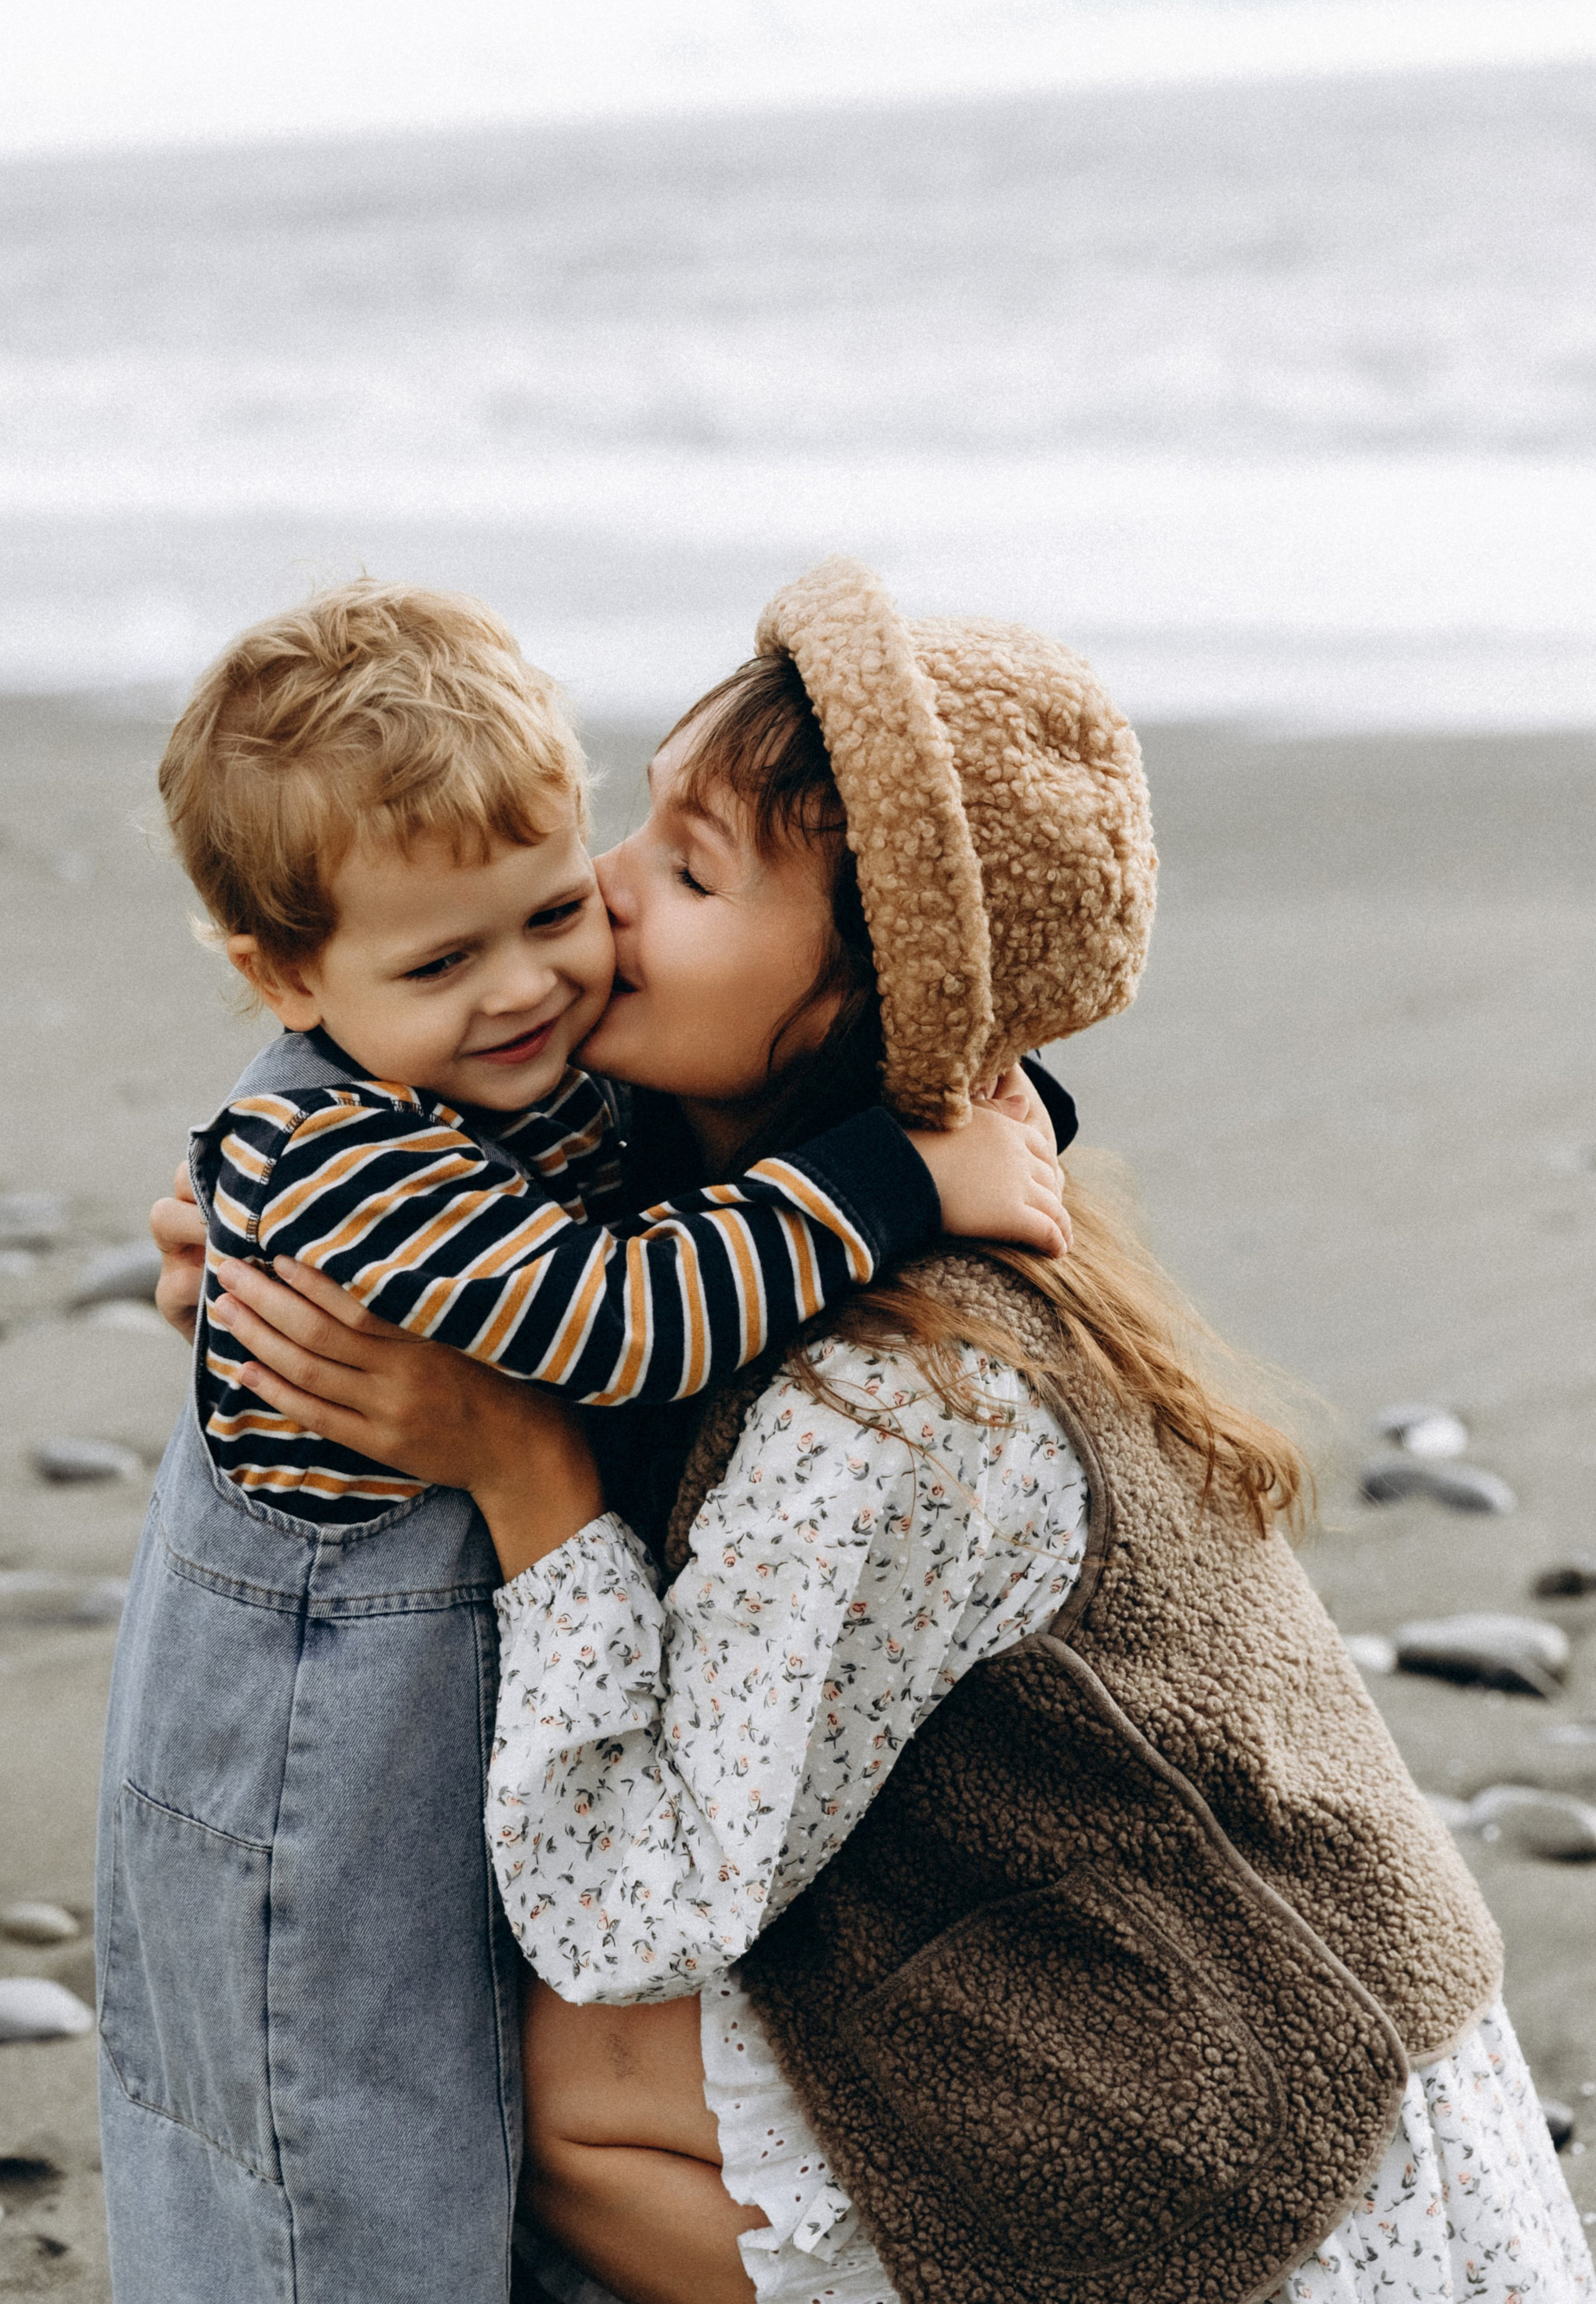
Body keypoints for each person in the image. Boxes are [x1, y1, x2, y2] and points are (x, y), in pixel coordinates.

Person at [165, 561, 1594, 2304]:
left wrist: (521, 1474)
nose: (595, 904)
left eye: (684, 875)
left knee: (536, 2075)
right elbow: (470, 1193)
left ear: (858, 1006)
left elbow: (630, 1912)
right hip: (1142, 1974)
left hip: (1259, 2135)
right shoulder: (759, 1183)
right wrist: (281, 1233)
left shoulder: (904, 1405)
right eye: (643, 828)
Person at [102, 578, 1069, 2304]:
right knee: (330, 2141)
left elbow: (750, 1117)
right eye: (442, 962)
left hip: (439, 1720)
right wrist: (903, 1177)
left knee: (449, 2111)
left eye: (555, 909)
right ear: (286, 974)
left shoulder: (495, 1080)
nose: (533, 987)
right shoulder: (341, 1168)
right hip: (304, 1762)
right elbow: (631, 1319)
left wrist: (983, 1093)